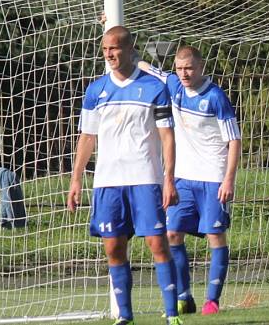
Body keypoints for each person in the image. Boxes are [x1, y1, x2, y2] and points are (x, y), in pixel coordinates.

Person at [67, 26, 182, 325]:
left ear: (130, 49)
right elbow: (87, 137)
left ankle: (172, 315)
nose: (109, 54)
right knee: (113, 247)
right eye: (105, 49)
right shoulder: (96, 91)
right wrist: (76, 179)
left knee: (157, 244)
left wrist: (169, 178)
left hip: (145, 178)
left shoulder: (154, 87)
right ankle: (125, 317)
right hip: (107, 182)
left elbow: (167, 136)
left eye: (115, 48)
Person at [138, 46, 241, 316]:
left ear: (201, 67)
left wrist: (228, 180)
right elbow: (142, 64)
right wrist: (110, 26)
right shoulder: (174, 84)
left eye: (189, 68)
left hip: (213, 177)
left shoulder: (216, 97)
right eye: (180, 68)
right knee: (172, 234)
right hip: (183, 177)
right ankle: (184, 297)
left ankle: (212, 300)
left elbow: (234, 141)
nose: (184, 73)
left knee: (215, 235)